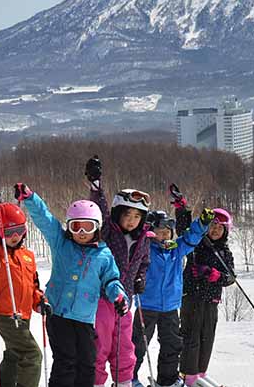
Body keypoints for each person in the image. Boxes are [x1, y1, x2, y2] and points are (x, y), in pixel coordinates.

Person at [14, 183, 128, 387]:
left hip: (84, 318)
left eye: (88, 226)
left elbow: (112, 280)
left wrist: (118, 296)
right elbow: (45, 220)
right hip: (58, 314)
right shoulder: (62, 243)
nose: (82, 232)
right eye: (76, 226)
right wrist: (30, 198)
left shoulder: (103, 255)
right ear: (69, 226)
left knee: (87, 363)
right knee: (66, 361)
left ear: (98, 227)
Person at [84, 156, 153, 387]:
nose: (132, 221)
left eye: (137, 217)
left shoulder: (143, 239)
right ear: (117, 213)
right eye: (127, 215)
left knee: (124, 349)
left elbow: (144, 262)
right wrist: (96, 185)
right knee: (100, 347)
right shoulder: (108, 232)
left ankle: (124, 382)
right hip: (102, 301)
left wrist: (141, 277)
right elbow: (101, 211)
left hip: (126, 303)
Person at [132, 209, 214, 387]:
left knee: (172, 344)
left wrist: (202, 223)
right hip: (146, 305)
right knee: (138, 344)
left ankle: (167, 379)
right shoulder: (145, 249)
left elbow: (191, 238)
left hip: (169, 306)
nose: (164, 237)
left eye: (167, 233)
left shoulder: (175, 249)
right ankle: (129, 378)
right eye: (160, 233)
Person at [0, 201, 46, 387]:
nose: (15, 236)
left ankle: (3, 383)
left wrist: (40, 301)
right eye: (9, 232)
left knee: (14, 353)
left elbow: (33, 285)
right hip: (5, 314)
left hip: (23, 315)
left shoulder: (28, 256)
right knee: (32, 355)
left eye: (19, 230)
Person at [179, 207, 235, 387]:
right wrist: (182, 211)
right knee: (191, 336)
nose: (215, 230)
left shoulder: (225, 253)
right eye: (212, 226)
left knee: (207, 337)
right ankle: (187, 374)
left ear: (226, 231)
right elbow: (184, 231)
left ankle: (201, 371)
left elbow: (231, 278)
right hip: (192, 298)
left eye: (220, 228)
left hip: (211, 301)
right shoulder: (196, 245)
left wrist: (216, 275)